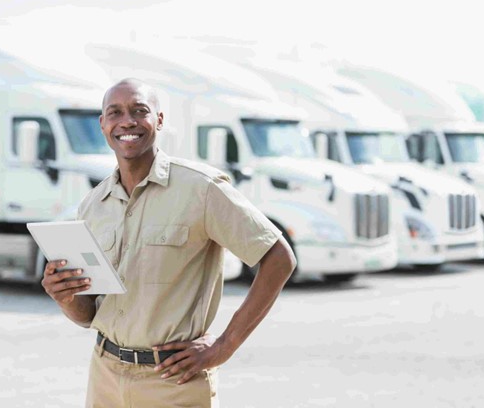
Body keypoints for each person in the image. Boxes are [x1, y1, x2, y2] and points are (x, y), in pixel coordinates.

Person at [41, 78, 297, 407]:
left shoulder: (201, 188)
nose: (127, 121)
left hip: (174, 382)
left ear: (159, 120)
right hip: (105, 377)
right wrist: (64, 296)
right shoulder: (93, 205)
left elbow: (279, 258)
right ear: (103, 124)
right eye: (115, 112)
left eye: (139, 111)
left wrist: (223, 346)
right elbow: (87, 313)